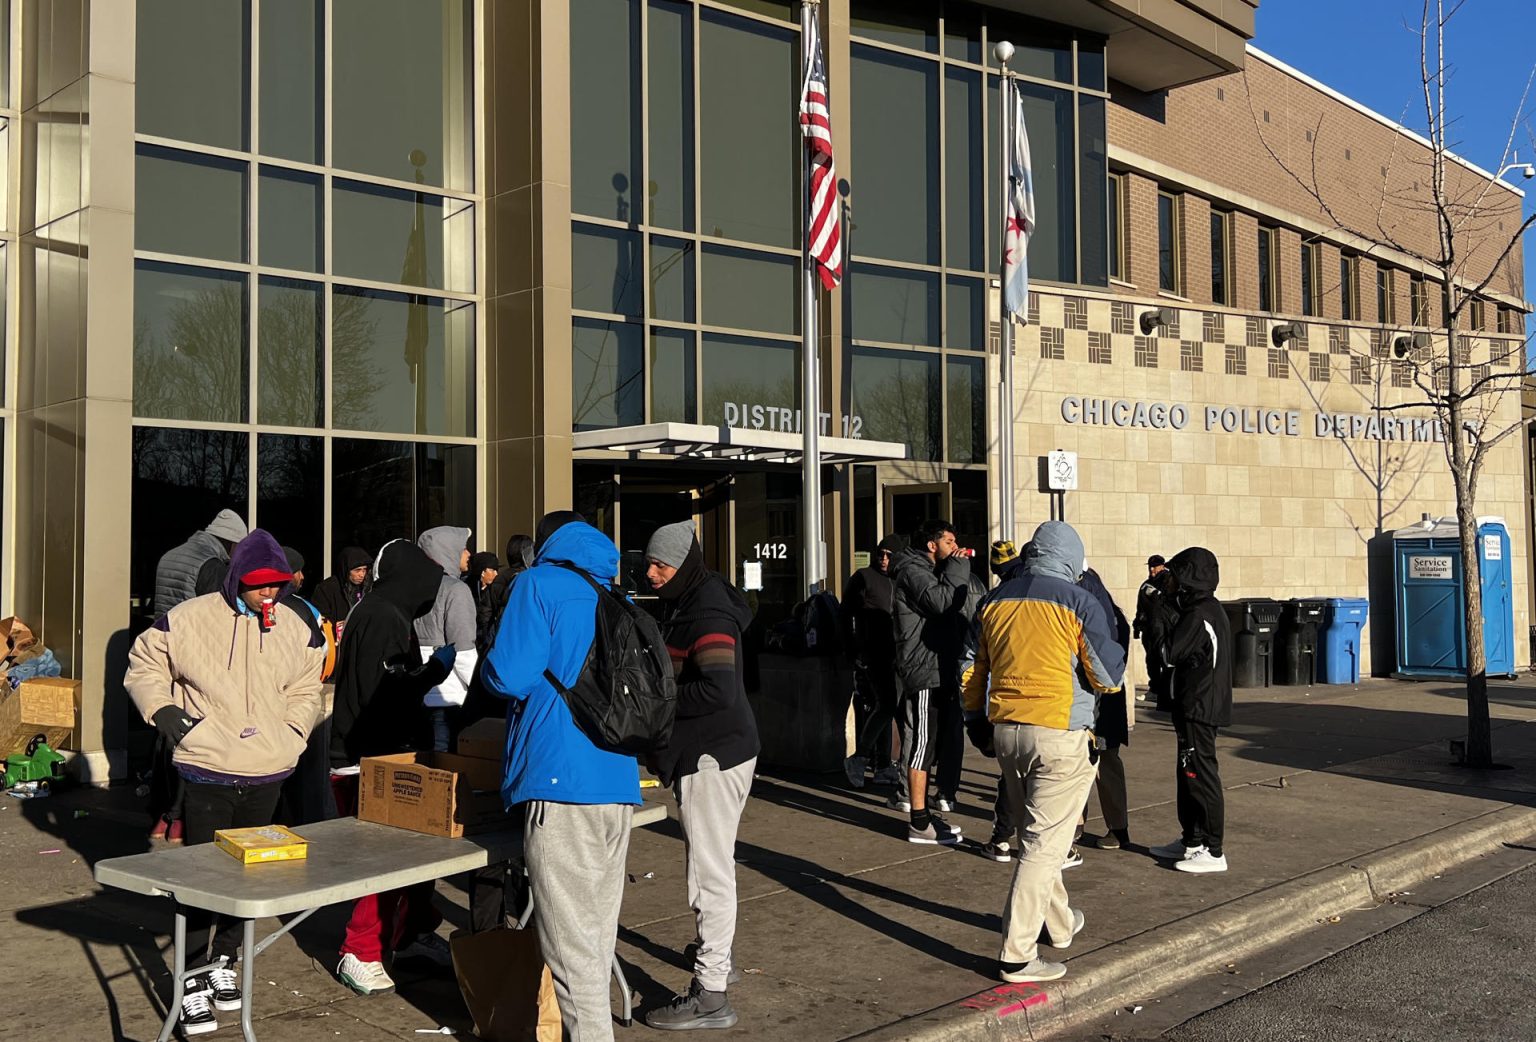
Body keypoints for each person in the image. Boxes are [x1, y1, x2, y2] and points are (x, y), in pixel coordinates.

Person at [125, 529, 325, 1036]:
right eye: (260, 585)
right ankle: (191, 979)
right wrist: (163, 708)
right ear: (237, 579)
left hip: (268, 768)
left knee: (247, 880)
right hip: (208, 768)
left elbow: (308, 683)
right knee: (204, 879)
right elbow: (145, 662)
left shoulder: (293, 625)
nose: (269, 594)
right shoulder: (188, 619)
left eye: (276, 585)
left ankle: (224, 962)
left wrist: (295, 730)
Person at [481, 511, 642, 1042]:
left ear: (545, 545)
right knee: (593, 940)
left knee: (570, 957)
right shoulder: (612, 592)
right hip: (617, 779)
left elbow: (509, 673)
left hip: (559, 781)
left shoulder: (538, 584)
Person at [961, 521, 1125, 984]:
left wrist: (975, 720)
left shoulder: (994, 601)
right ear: (1072, 558)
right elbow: (1107, 677)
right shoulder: (1080, 601)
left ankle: (1060, 923)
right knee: (1040, 846)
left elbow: (970, 667)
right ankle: (1017, 955)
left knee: (1038, 838)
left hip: (1006, 731)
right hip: (1060, 732)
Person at [641, 520, 759, 1030]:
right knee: (711, 866)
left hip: (712, 754)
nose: (651, 573)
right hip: (718, 749)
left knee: (708, 874)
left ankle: (710, 992)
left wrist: (654, 708)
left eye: (661, 565)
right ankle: (718, 957)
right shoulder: (690, 599)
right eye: (648, 563)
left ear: (684, 564)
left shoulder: (706, 609)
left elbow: (717, 689)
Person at [330, 539, 458, 995]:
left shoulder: (383, 611)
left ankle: (412, 932)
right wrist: (434, 672)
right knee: (382, 862)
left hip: (384, 753)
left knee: (417, 854)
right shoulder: (383, 616)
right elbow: (384, 694)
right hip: (369, 759)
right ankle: (359, 950)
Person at [147, 509, 249, 845]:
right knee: (194, 741)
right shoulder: (211, 565)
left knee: (167, 735)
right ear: (230, 542)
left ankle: (161, 817)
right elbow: (215, 617)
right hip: (194, 656)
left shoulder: (170, 555)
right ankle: (178, 818)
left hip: (164, 651)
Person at [1149, 547, 1233, 874]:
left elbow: (1168, 653)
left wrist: (1158, 614)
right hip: (1193, 702)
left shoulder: (1201, 613)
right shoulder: (1200, 609)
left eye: (1175, 576)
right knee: (1188, 773)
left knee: (1201, 774)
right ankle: (1192, 840)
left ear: (1188, 580)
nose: (1169, 582)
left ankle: (1214, 850)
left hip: (1201, 705)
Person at [889, 519, 970, 844]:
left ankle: (924, 813)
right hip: (923, 669)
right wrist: (959, 566)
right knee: (921, 744)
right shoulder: (912, 570)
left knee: (933, 742)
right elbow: (941, 602)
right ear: (932, 544)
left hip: (938, 668)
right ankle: (919, 821)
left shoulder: (930, 569)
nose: (955, 546)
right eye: (949, 541)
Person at [840, 535, 904, 790]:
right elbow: (845, 615)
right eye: (880, 554)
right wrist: (852, 650)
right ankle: (861, 758)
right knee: (886, 705)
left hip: (899, 655)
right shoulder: (864, 577)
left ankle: (883, 764)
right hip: (873, 654)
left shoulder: (901, 579)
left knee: (891, 708)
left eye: (889, 554)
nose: (884, 559)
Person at [1077, 568, 1134, 852]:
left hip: (1098, 699)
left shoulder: (1093, 613)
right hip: (1105, 698)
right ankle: (1114, 827)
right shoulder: (1113, 615)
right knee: (1101, 761)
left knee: (1089, 763)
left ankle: (1082, 826)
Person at [415, 526, 478, 751]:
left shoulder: (412, 587)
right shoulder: (455, 589)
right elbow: (463, 650)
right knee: (444, 772)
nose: (468, 554)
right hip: (448, 695)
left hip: (415, 694)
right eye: (463, 548)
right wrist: (480, 690)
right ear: (448, 551)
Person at [153, 509, 248, 616]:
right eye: (239, 547)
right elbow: (216, 613)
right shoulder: (211, 565)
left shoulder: (168, 556)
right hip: (190, 630)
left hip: (162, 629)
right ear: (232, 543)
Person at [1134, 555, 1177, 706]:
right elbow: (1140, 607)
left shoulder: (1168, 581)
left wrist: (1155, 595)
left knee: (1163, 659)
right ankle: (1155, 690)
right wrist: (1137, 625)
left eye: (1155, 566)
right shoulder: (1146, 584)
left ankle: (1165, 693)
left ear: (1162, 566)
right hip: (1149, 628)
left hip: (1163, 628)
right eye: (1150, 566)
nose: (1152, 569)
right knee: (1151, 660)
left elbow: (1168, 604)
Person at [312, 547, 373, 639]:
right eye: (357, 570)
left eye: (364, 570)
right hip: (335, 643)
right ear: (346, 569)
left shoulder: (367, 588)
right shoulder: (326, 588)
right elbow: (320, 619)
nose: (362, 574)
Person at [467, 551, 502, 652]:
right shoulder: (466, 588)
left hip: (487, 643)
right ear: (482, 572)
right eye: (493, 570)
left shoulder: (496, 590)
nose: (496, 574)